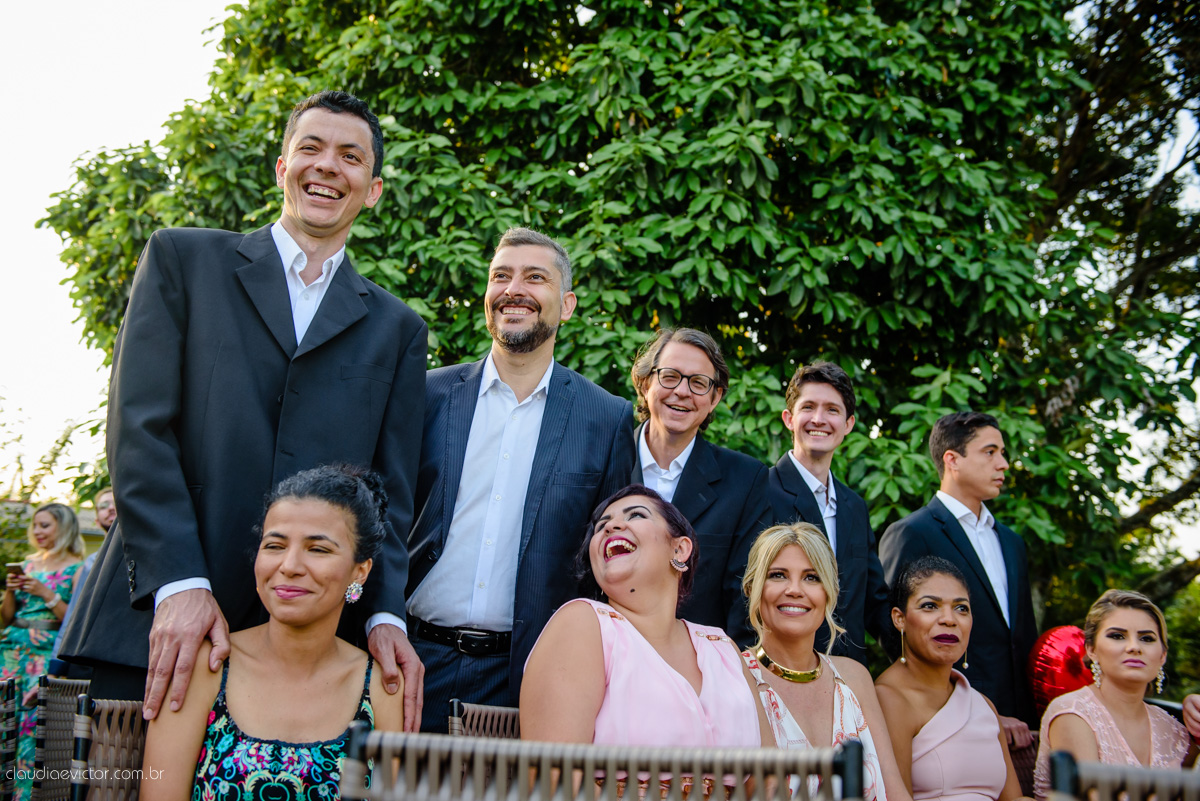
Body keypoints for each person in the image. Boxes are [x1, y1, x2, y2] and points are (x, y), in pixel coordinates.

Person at [58, 91, 428, 728]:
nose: (328, 165)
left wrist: (385, 613)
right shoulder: (182, 260)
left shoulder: (398, 329)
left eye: (350, 156)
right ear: (282, 168)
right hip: (149, 628)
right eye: (311, 148)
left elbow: (388, 496)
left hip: (304, 656)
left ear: (372, 190)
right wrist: (179, 583)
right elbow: (138, 431)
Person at [407, 227, 634, 730]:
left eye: (535, 278)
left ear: (567, 305)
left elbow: (613, 560)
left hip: (532, 676)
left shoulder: (606, 418)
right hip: (412, 662)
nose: (514, 289)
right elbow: (380, 522)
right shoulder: (426, 396)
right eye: (501, 276)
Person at [141, 465, 404, 801]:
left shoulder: (382, 686)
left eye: (318, 549)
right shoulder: (206, 665)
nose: (289, 566)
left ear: (360, 571)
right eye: (275, 546)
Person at [521, 484, 771, 756]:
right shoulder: (582, 625)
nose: (611, 526)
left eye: (636, 515)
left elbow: (771, 771)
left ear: (679, 549)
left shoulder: (722, 648)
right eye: (601, 526)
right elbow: (556, 774)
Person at [879, 411, 1038, 746]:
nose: (1003, 464)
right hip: (946, 724)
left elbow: (1021, 637)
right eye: (990, 452)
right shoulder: (911, 532)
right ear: (952, 460)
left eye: (1002, 453)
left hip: (1024, 725)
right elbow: (895, 634)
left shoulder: (1012, 542)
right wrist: (977, 709)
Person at [741, 521, 909, 801]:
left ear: (829, 592)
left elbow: (895, 790)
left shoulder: (855, 678)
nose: (795, 590)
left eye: (812, 577)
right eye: (778, 575)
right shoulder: (735, 676)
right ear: (752, 587)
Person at [630, 328, 770, 645]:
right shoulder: (603, 460)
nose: (682, 391)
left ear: (714, 397)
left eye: (698, 383)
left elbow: (744, 599)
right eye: (670, 377)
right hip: (602, 658)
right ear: (645, 383)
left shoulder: (746, 481)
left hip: (698, 664)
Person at [874, 556, 1027, 801]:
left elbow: (1014, 798)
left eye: (961, 608)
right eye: (930, 606)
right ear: (899, 618)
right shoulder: (888, 700)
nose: (949, 619)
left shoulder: (983, 704)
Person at [767, 361, 890, 664]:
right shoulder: (760, 492)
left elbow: (873, 601)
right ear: (789, 419)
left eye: (832, 410)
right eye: (808, 407)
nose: (819, 419)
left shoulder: (855, 506)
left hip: (848, 673)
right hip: (779, 670)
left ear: (848, 424)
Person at [1032, 590, 1195, 799]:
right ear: (1091, 649)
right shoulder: (1072, 713)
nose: (1134, 647)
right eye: (1117, 636)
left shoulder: (1173, 729)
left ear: (1162, 656)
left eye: (1147, 638)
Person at [1, 503, 85, 799]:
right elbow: (5, 618)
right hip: (11, 653)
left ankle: (23, 795)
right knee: (4, 720)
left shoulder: (78, 569)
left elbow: (74, 621)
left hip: (43, 656)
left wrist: (45, 593)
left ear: (64, 528)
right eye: (35, 525)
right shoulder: (28, 564)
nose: (37, 531)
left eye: (45, 525)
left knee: (32, 727)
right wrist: (11, 590)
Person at [45, 488, 116, 679]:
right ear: (96, 520)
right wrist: (55, 667)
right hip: (88, 660)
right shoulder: (91, 563)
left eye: (115, 502)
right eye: (103, 505)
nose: (110, 508)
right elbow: (74, 615)